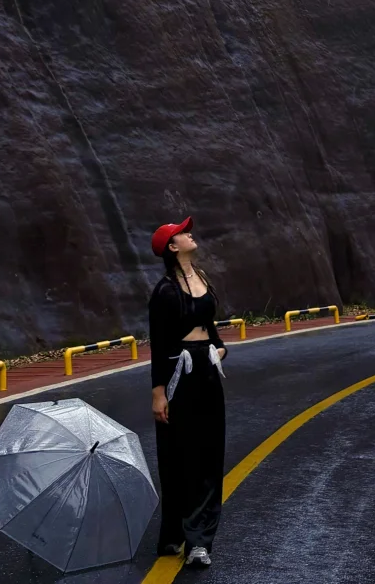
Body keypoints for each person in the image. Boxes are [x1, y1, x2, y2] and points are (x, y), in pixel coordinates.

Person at [149, 217, 228, 569]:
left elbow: (210, 325)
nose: (190, 233)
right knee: (179, 456)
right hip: (179, 374)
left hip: (208, 370)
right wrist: (159, 393)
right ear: (172, 246)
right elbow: (159, 345)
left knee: (210, 455)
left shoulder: (203, 278)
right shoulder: (164, 291)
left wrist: (219, 347)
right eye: (183, 232)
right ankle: (174, 533)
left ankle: (200, 540)